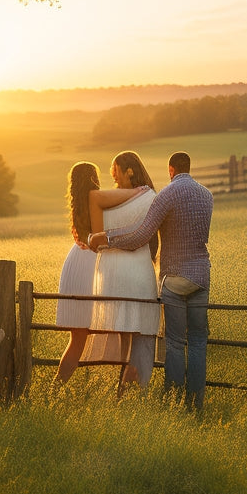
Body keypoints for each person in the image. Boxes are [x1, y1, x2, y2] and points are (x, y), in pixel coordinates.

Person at [89, 151, 213, 411]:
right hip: (201, 276)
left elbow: (141, 235)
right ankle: (196, 405)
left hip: (175, 276)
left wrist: (107, 238)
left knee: (176, 343)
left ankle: (173, 402)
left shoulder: (167, 194)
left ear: (170, 170)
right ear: (189, 167)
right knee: (199, 341)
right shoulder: (206, 196)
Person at [54, 161, 146, 383]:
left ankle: (55, 390)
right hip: (94, 264)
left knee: (77, 339)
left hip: (75, 261)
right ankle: (123, 388)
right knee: (124, 329)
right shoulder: (98, 198)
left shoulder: (76, 204)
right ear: (94, 177)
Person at [85, 151, 160, 392]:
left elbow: (97, 237)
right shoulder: (148, 196)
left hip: (120, 272)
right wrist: (139, 191)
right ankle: (133, 387)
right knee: (137, 333)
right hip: (134, 271)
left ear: (130, 171)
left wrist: (102, 239)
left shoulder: (118, 198)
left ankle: (126, 386)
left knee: (127, 334)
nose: (114, 179)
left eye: (116, 173)